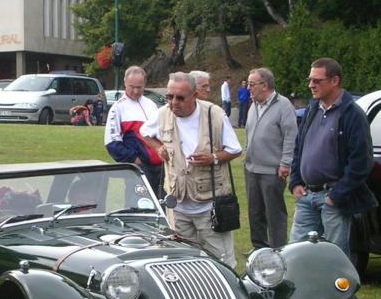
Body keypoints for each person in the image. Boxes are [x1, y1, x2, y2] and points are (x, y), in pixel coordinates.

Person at [140, 72, 243, 268]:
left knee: (221, 264)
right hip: (177, 208)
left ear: (195, 95)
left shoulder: (215, 114)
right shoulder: (163, 114)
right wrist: (158, 147)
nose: (173, 102)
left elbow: (235, 149)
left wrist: (212, 158)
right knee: (179, 264)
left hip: (210, 207)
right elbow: (144, 132)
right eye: (169, 97)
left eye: (180, 97)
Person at [288, 57, 377, 261]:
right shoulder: (312, 109)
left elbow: (361, 162)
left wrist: (337, 195)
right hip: (306, 196)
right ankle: (300, 293)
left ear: (334, 81)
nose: (311, 85)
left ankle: (341, 294)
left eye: (317, 81)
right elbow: (299, 149)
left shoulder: (352, 114)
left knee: (335, 259)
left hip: (333, 198)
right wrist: (295, 182)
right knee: (294, 255)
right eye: (310, 80)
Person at [243, 68, 297, 249]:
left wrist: (285, 163)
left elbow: (291, 136)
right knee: (254, 212)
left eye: (251, 84)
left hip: (272, 171)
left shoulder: (284, 105)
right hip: (251, 169)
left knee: (274, 213)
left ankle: (278, 250)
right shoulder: (254, 105)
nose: (248, 88)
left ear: (264, 85)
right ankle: (258, 250)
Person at [104, 65, 165, 196]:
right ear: (125, 83)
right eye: (132, 87)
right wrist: (134, 160)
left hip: (161, 167)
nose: (136, 91)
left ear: (145, 84)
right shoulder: (118, 108)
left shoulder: (151, 104)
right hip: (140, 167)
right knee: (141, 203)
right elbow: (111, 143)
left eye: (139, 87)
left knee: (163, 206)